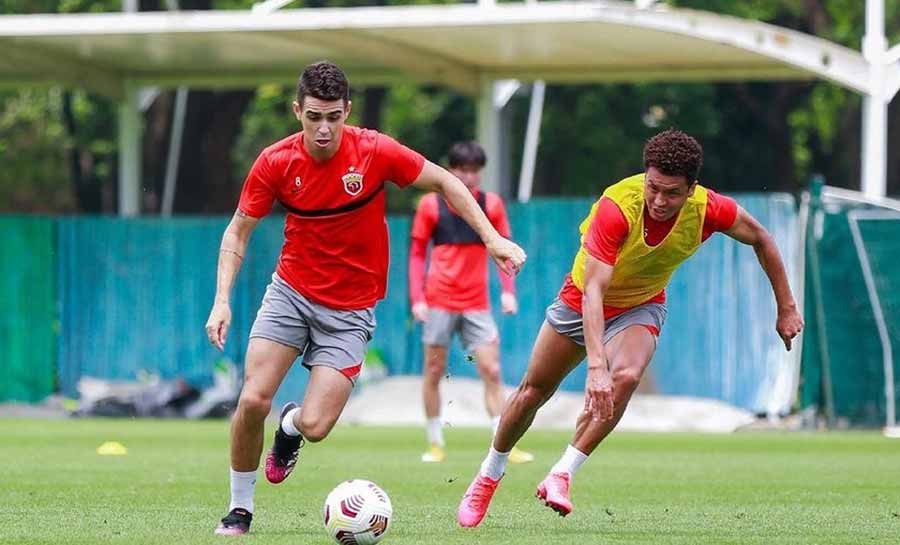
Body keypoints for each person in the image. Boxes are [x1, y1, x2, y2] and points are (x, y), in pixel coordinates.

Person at [204, 61, 527, 536]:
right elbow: (238, 232)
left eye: (333, 117)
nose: (323, 128)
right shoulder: (275, 162)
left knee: (315, 426)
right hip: (290, 294)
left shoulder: (374, 150)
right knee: (252, 399)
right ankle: (240, 509)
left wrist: (493, 239)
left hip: (349, 311)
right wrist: (221, 300)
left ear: (347, 111)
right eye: (314, 116)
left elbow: (447, 182)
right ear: (298, 111)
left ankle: (290, 429)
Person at [456, 129, 804, 528]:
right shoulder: (618, 206)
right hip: (582, 299)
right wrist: (595, 367)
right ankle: (488, 474)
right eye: (653, 187)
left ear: (692, 188)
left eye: (671, 193)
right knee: (534, 390)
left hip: (641, 304)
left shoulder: (709, 209)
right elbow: (593, 291)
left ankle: (562, 473)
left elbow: (762, 238)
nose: (659, 200)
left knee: (627, 376)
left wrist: (786, 308)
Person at [409, 141, 534, 465]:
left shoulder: (491, 205)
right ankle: (435, 443)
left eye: (474, 171)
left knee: (492, 370)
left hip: (476, 303)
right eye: (462, 170)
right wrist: (417, 297)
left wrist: (509, 291)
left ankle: (502, 444)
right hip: (438, 301)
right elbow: (417, 253)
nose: (468, 177)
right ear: (450, 171)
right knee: (434, 371)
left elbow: (502, 248)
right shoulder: (430, 206)